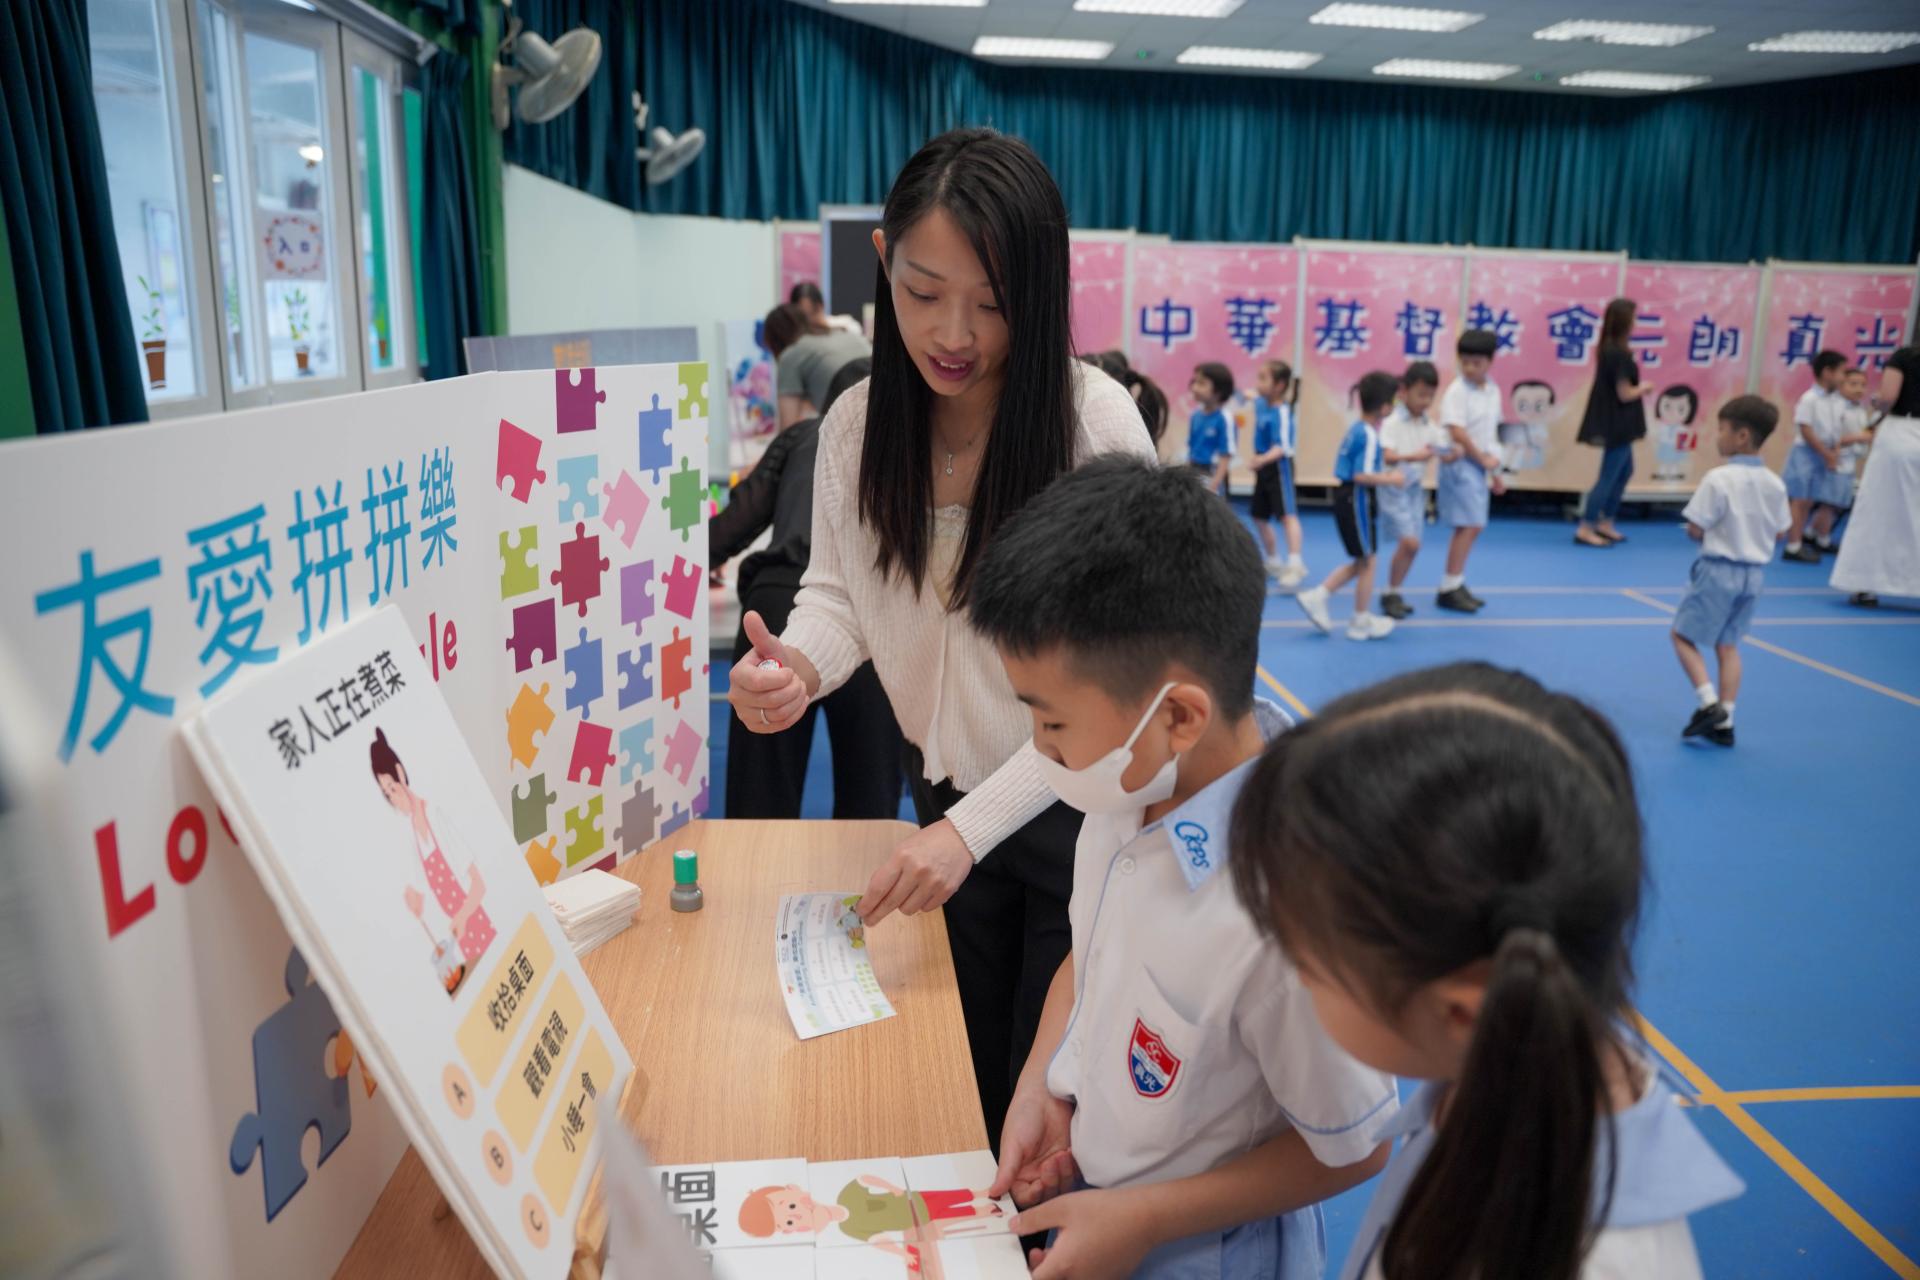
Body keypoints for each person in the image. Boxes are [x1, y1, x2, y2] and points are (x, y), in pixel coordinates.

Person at [727, 129, 1155, 1142]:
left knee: (1048, 1116)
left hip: (1080, 819)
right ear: (883, 262)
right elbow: (840, 595)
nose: (953, 333)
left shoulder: (1092, 427)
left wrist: (970, 831)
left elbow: (1124, 692)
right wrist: (795, 668)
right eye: (923, 292)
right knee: (961, 1086)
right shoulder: (856, 424)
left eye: (993, 304)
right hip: (945, 804)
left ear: (1041, 291)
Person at [966, 459, 1396, 1279]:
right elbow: (1091, 952)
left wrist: (1142, 1217)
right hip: (1100, 1202)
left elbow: (1357, 1145)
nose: (1041, 752)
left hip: (1206, 1248)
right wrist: (1043, 1087)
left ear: (1178, 716)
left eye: (1053, 725)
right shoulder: (1132, 784)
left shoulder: (1287, 918)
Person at [1230, 662, 1744, 1280]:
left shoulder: (1573, 1259)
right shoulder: (1502, 1069)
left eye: (1306, 961)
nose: (1294, 971)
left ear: (1458, 1011)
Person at [711, 359, 904, 818]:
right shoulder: (906, 437)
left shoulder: (799, 436)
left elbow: (731, 528)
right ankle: (868, 870)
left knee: (760, 793)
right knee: (871, 795)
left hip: (778, 603)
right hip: (872, 612)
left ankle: (756, 868)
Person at [1671, 396, 1791, 749]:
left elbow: (1696, 527)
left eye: (1722, 429)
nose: (1717, 436)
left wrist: (1704, 533)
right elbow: (1781, 532)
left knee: (1681, 636)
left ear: (1742, 436)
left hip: (1718, 571)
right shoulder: (1775, 483)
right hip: (1754, 576)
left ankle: (1708, 703)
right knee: (1728, 645)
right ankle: (1726, 720)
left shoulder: (1719, 478)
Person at [1296, 372, 1402, 641]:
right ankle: (1359, 621)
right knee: (1368, 561)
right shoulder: (1369, 434)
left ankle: (1318, 595)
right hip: (1357, 499)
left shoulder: (1357, 429)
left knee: (1363, 560)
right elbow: (1361, 475)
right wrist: (1391, 478)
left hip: (1348, 498)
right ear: (1385, 407)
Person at [1832, 344, 1920, 607]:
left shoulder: (1904, 356)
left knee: (1878, 510)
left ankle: (1866, 584)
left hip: (1901, 435)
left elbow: (1888, 398)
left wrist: (1876, 401)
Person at [1574, 298, 1656, 549]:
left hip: (1618, 422)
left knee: (1624, 471)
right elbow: (1624, 393)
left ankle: (1606, 522)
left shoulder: (1610, 349)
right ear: (1625, 321)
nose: (1635, 322)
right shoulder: (1618, 354)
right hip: (1617, 423)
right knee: (1609, 475)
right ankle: (1587, 526)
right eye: (1633, 317)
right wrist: (1644, 388)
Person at [1436, 330, 1504, 609]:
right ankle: (1449, 585)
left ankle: (1455, 580)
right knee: (1468, 524)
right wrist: (1482, 460)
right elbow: (1458, 432)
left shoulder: (1493, 390)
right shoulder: (1457, 391)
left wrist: (1495, 470)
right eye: (1465, 362)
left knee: (1473, 524)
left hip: (1479, 465)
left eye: (1477, 363)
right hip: (1461, 464)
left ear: (1490, 361)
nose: (1469, 368)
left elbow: (1490, 433)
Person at [1377, 361, 1448, 621]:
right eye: (1421, 394)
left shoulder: (1429, 424)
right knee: (1410, 541)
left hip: (1415, 489)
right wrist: (1414, 456)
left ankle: (1392, 591)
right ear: (1404, 391)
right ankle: (1389, 592)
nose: (1426, 401)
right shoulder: (1392, 422)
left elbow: (1443, 447)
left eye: (1430, 396)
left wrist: (1453, 452)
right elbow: (1387, 455)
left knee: (1413, 546)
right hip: (1394, 486)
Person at [1781, 350, 1849, 563]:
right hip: (1807, 453)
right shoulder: (1809, 399)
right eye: (1842, 372)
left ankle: (1801, 539)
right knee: (1800, 500)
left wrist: (1834, 451)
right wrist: (1826, 453)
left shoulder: (1837, 400)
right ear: (1827, 372)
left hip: (1823, 453)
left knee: (1810, 501)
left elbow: (1837, 429)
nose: (1844, 377)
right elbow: (1806, 429)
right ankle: (1792, 545)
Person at [763, 301, 872, 428]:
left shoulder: (790, 355)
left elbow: (789, 426)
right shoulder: (846, 334)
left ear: (774, 341)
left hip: (850, 410)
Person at [1250, 360, 1307, 588]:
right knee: (1259, 516)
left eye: (1263, 379)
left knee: (1287, 516)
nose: (1258, 383)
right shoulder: (1261, 403)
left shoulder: (1282, 413)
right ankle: (1273, 561)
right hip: (1263, 467)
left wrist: (1261, 459)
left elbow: (1282, 447)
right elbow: (1249, 395)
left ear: (1279, 385)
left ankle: (1295, 564)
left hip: (1278, 467)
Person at [1807, 366, 1874, 554]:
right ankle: (1823, 539)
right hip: (1836, 463)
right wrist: (1859, 437)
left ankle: (1812, 532)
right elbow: (1830, 438)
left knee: (1835, 504)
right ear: (1841, 385)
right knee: (1830, 504)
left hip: (1849, 463)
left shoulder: (1859, 409)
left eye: (1862, 385)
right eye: (1853, 384)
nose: (1859, 389)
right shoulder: (1835, 408)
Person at [1186, 362, 1236, 495]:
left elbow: (1225, 455)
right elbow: (1192, 449)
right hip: (1195, 470)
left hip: (1213, 471)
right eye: (1194, 382)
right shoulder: (1195, 415)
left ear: (1219, 391)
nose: (1195, 388)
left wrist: (1215, 483)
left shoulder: (1225, 418)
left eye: (1201, 383)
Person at [1650, 384, 1700, 483]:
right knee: (1664, 462)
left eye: (1680, 409)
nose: (1672, 412)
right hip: (1664, 446)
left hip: (1675, 448)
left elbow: (1685, 441)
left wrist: (1684, 448)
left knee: (1674, 463)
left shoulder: (1682, 429)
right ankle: (1662, 473)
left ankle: (1674, 474)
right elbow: (1657, 436)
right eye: (1667, 406)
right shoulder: (1662, 427)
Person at [788, 280, 865, 336]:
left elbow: (855, 331)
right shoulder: (797, 337)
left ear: (820, 306)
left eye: (810, 312)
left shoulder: (845, 324)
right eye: (801, 315)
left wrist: (824, 327)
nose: (808, 320)